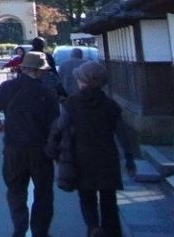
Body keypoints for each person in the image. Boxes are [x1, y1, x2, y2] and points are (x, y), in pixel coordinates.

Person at [49, 61, 135, 237]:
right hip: (107, 157)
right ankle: (111, 232)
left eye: (80, 79)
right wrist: (129, 157)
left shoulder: (72, 103)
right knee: (108, 199)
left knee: (86, 197)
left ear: (84, 82)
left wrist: (53, 148)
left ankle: (93, 227)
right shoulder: (111, 105)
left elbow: (60, 126)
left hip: (81, 156)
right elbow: (122, 134)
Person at [0, 51, 60, 237]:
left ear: (23, 68)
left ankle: (20, 227)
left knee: (16, 190)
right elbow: (56, 124)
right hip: (40, 150)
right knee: (43, 193)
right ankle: (40, 231)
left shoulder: (7, 87)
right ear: (38, 71)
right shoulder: (46, 93)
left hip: (13, 148)